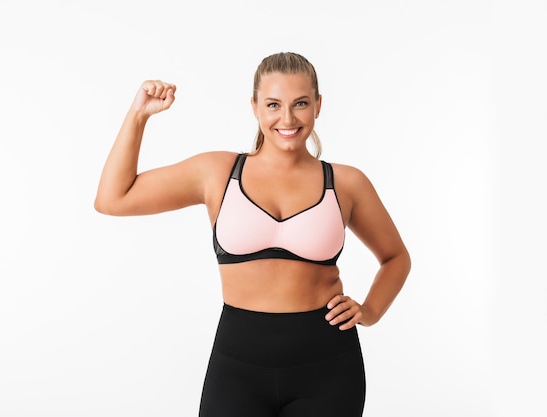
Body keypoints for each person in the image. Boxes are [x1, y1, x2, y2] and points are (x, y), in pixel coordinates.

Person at [94, 51, 411, 417]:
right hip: (237, 368)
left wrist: (371, 310)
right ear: (255, 107)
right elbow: (113, 199)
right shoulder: (216, 172)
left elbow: (396, 258)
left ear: (318, 106)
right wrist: (138, 116)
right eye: (273, 104)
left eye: (301, 104)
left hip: (328, 367)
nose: (287, 118)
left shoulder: (346, 182)